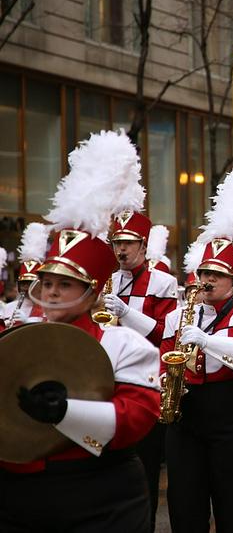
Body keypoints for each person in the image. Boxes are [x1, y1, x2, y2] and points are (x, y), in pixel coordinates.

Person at [0, 130, 160, 532]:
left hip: (99, 492)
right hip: (19, 492)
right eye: (48, 283)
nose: (53, 291)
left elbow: (138, 416)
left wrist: (67, 412)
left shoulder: (122, 342)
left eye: (66, 284)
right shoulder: (17, 334)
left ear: (93, 293)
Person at [161, 170, 233, 533]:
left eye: (217, 275)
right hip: (187, 412)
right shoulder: (179, 314)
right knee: (185, 503)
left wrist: (208, 341)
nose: (207, 280)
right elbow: (165, 354)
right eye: (203, 273)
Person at [104, 205, 179, 532]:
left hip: (144, 377)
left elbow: (165, 331)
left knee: (144, 465)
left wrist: (127, 312)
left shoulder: (163, 281)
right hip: (106, 375)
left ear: (143, 246)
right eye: (117, 242)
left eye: (128, 243)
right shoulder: (106, 278)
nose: (121, 249)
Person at [1, 222, 48, 330]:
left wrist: (28, 322)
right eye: (23, 283)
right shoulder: (8, 307)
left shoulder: (49, 309)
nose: (26, 287)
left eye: (30, 283)